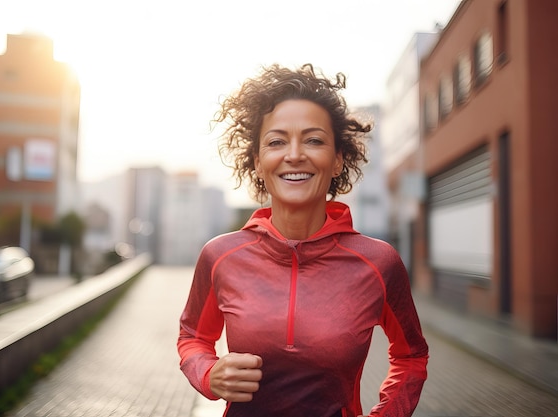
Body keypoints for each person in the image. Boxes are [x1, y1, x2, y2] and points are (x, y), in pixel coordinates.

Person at [177, 63, 429, 417]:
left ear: (339, 159)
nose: (294, 154)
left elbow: (411, 355)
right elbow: (193, 338)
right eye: (277, 142)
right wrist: (208, 374)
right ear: (258, 162)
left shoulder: (379, 263)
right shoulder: (220, 256)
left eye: (313, 140)